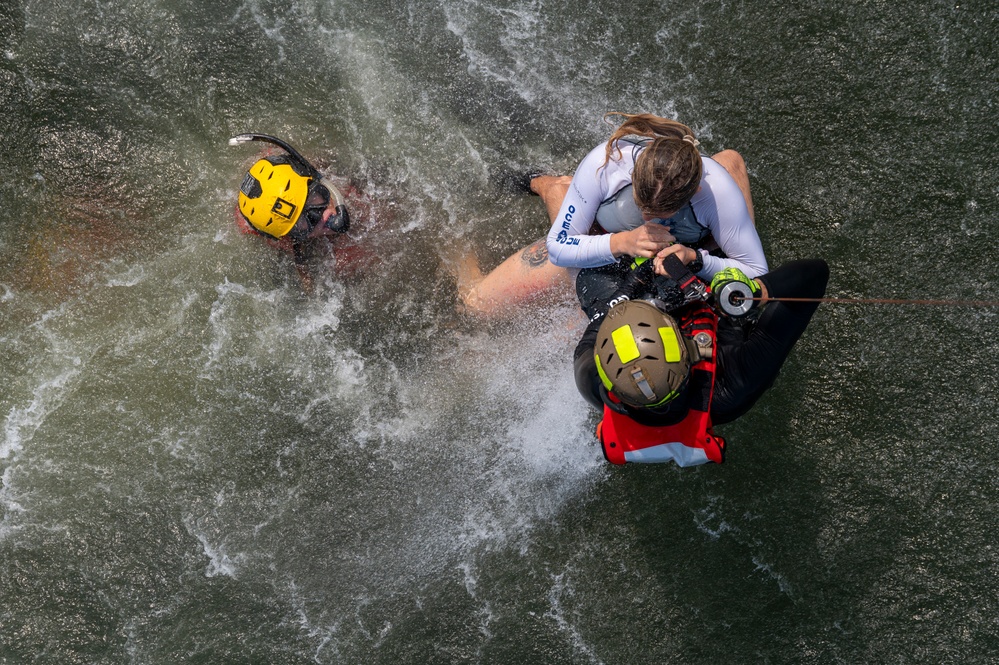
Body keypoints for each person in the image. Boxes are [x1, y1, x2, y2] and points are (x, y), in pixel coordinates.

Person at [456, 113, 765, 316]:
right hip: (601, 234)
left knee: (729, 163)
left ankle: (718, 234)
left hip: (689, 246)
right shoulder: (605, 164)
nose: (647, 218)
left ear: (694, 190)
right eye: (641, 204)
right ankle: (551, 186)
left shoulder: (713, 189)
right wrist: (623, 242)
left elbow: (758, 273)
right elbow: (559, 246)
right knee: (477, 305)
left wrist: (696, 259)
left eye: (658, 211)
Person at [572, 254, 829, 466]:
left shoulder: (591, 379)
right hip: (719, 320)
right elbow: (816, 275)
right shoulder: (736, 380)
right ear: (688, 347)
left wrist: (634, 283)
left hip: (639, 302)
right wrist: (755, 291)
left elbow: (600, 324)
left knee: (590, 274)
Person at [230, 133, 375, 291]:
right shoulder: (280, 233)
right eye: (304, 223)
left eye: (315, 200)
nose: (323, 218)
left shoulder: (306, 169)